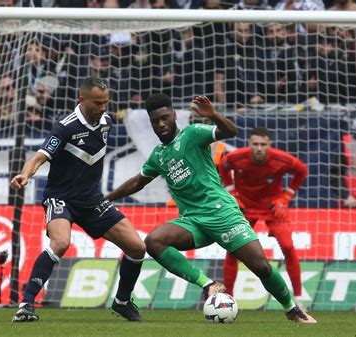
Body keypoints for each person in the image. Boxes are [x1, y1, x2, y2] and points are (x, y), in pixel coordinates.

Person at [106, 93, 316, 323]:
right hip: (193, 221)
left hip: (222, 214)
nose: (161, 124)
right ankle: (209, 284)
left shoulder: (193, 134)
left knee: (262, 267)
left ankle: (291, 309)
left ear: (174, 116)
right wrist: (108, 197)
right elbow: (138, 181)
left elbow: (230, 132)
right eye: (156, 121)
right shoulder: (158, 155)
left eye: (165, 118)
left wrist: (213, 115)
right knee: (154, 242)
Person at [10, 77, 146, 323]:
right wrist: (25, 174)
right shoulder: (65, 126)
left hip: (92, 200)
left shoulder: (107, 121)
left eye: (106, 102)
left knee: (137, 248)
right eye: (97, 102)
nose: (103, 107)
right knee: (61, 242)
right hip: (61, 197)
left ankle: (122, 302)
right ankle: (26, 304)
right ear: (81, 99)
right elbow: (40, 156)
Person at [218, 127, 308, 311]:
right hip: (244, 207)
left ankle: (298, 299)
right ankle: (229, 300)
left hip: (272, 208)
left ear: (269, 145)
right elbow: (223, 167)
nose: (259, 148)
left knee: (288, 246)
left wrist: (286, 198)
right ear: (249, 144)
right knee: (233, 250)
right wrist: (232, 193)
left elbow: (302, 171)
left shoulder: (281, 159)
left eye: (263, 144)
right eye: (255, 144)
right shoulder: (236, 157)